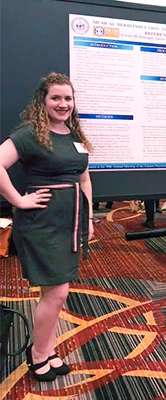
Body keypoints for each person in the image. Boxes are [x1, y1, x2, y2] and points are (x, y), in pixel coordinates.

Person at [0, 72, 94, 380]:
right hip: (41, 224)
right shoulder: (30, 133)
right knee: (57, 292)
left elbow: (83, 178)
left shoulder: (74, 135)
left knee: (56, 293)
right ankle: (38, 353)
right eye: (56, 97)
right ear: (43, 100)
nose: (63, 104)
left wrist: (89, 219)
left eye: (68, 98)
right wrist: (19, 200)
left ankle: (48, 349)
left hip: (70, 223)